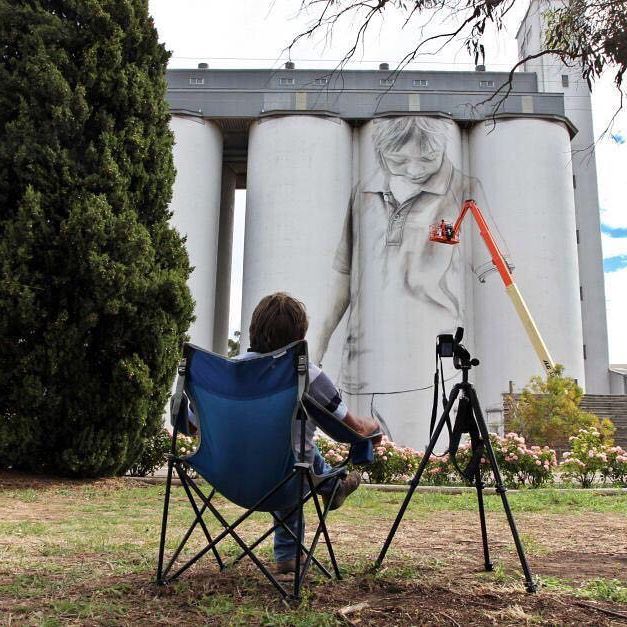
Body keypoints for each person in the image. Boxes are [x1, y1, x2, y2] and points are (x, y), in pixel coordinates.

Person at [312, 116, 466, 447]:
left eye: (426, 158)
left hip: (432, 368)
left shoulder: (465, 190)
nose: (413, 169)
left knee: (427, 454)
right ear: (381, 152)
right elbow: (343, 275)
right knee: (357, 458)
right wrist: (317, 347)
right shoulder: (363, 193)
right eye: (399, 160)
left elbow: (491, 274)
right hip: (361, 366)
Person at [238, 292, 381, 579]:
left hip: (232, 476)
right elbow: (351, 428)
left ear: (253, 330)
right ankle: (329, 489)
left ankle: (331, 487)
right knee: (292, 458)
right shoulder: (307, 375)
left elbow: (189, 425)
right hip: (283, 476)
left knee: (292, 446)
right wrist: (373, 429)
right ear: (300, 337)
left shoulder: (229, 371)